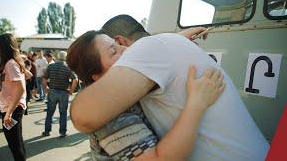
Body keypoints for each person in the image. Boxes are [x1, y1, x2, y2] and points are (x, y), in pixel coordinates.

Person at [67, 15, 269, 160]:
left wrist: (171, 41)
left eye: (118, 45)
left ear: (120, 38)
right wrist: (196, 104)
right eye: (114, 50)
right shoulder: (110, 115)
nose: (126, 51)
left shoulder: (151, 53)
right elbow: (81, 115)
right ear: (96, 76)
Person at [0, 34, 27, 161]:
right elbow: (28, 75)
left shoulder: (10, 63)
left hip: (12, 108)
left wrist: (8, 113)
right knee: (17, 144)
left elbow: (21, 89)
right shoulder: (12, 63)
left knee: (15, 145)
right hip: (11, 107)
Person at [42, 51, 78, 137]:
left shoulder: (51, 66)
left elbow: (44, 78)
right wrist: (71, 91)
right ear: (65, 58)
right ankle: (63, 132)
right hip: (63, 92)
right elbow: (75, 80)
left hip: (52, 91)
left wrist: (45, 88)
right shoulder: (68, 68)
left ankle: (47, 131)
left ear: (57, 57)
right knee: (63, 113)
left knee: (50, 113)